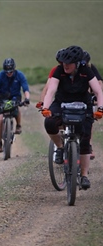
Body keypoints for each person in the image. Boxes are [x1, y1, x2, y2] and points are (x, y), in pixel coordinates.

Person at [41, 45, 103, 190]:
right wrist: (45, 107)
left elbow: (98, 91)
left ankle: (84, 175)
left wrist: (100, 109)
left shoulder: (86, 71)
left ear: (77, 63)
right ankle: (61, 147)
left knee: (85, 139)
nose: (65, 65)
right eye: (63, 62)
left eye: (68, 63)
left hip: (83, 104)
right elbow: (51, 90)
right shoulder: (59, 71)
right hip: (61, 103)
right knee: (49, 123)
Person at [0, 58, 30, 153]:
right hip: (2, 97)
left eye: (11, 71)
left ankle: (18, 125)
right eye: (7, 72)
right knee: (0, 118)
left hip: (15, 97)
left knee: (17, 107)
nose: (9, 73)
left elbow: (25, 88)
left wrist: (27, 98)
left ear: (14, 69)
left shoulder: (20, 75)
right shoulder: (0, 75)